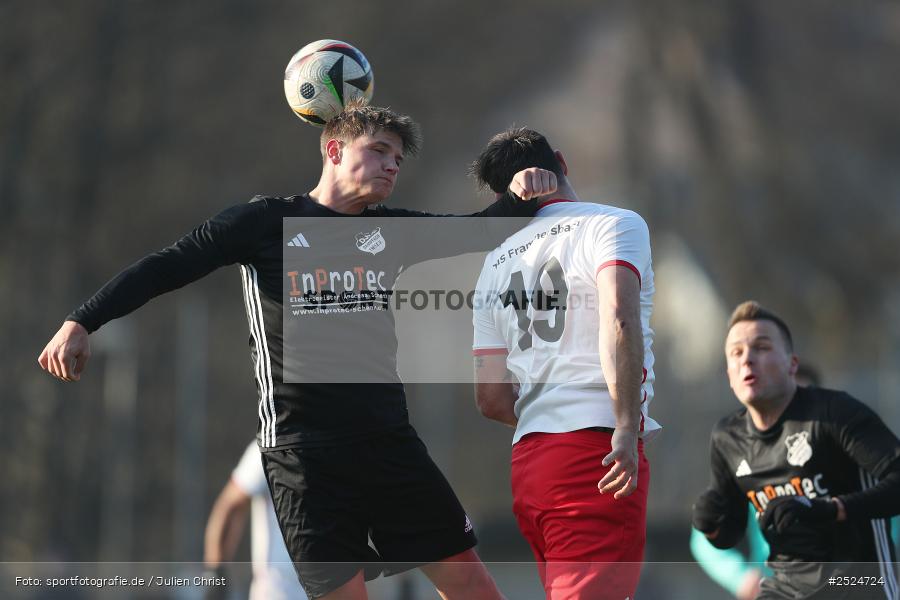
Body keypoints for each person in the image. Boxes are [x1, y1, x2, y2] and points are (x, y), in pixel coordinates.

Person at [38, 102, 559, 600]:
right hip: (305, 457)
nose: (390, 166)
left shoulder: (390, 231)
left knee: (474, 587)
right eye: (379, 150)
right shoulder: (264, 223)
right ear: (333, 150)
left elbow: (482, 230)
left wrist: (520, 194)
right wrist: (82, 320)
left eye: (397, 159)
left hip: (389, 444)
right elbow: (165, 266)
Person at [470, 127, 659, 599]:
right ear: (561, 161)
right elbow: (618, 317)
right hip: (595, 456)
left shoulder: (493, 264)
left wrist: (549, 412)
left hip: (530, 463)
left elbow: (490, 398)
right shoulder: (613, 224)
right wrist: (622, 425)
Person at [692, 301, 900, 600]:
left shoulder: (835, 412)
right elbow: (731, 532)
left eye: (761, 347)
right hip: (784, 588)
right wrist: (712, 527)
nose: (747, 358)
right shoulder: (728, 437)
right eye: (736, 352)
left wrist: (833, 509)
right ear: (729, 375)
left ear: (792, 364)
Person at [689, 363, 823, 600]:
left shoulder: (849, 463)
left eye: (801, 403)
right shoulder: (750, 470)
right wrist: (740, 577)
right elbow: (703, 535)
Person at [204, 442, 308, 600]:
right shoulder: (271, 446)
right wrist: (216, 572)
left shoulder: (346, 445)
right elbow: (230, 506)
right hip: (279, 592)